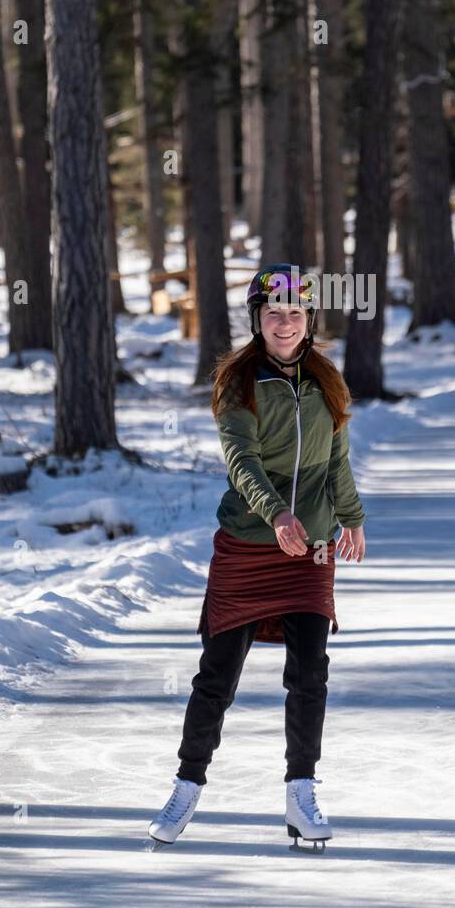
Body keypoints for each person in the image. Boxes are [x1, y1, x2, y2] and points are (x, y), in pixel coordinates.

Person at [148, 264, 366, 849]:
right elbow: (241, 461)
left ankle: (301, 793)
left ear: (309, 319)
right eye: (274, 313)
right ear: (257, 319)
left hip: (311, 548)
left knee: (310, 674)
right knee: (217, 677)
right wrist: (276, 515)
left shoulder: (326, 381)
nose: (285, 323)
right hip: (248, 545)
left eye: (295, 313)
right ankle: (185, 788)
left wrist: (351, 517)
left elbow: (336, 460)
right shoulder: (238, 383)